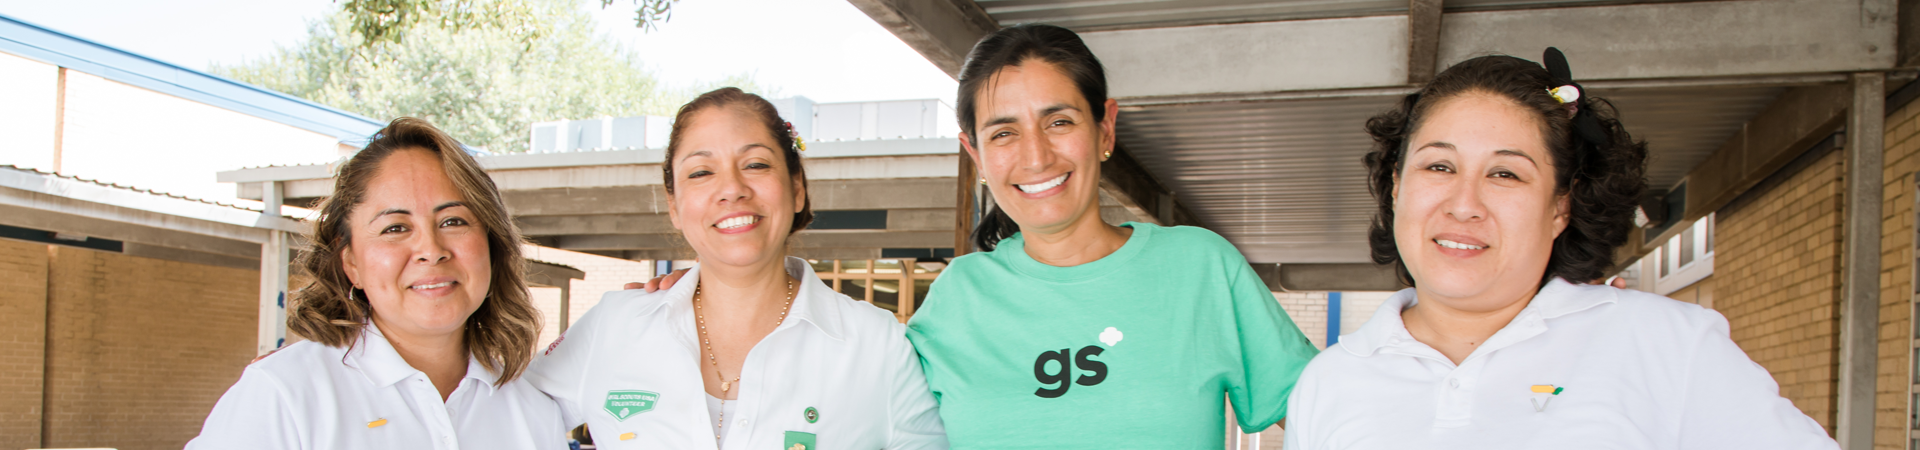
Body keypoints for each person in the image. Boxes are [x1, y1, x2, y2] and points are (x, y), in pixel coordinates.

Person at [1281, 49, 1837, 449]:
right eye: (1439, 165)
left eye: (1505, 173)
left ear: (1560, 207)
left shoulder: (1669, 346)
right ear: (1398, 185)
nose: (1463, 203)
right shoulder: (1332, 379)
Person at [901, 23, 1318, 448]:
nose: (1036, 156)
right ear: (977, 156)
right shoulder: (955, 300)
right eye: (1004, 133)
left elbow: (1337, 417)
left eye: (1059, 121)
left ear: (1105, 129)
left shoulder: (1199, 268)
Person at [524, 87, 947, 449]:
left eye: (756, 164)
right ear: (673, 206)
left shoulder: (877, 346)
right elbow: (491, 414)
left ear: (797, 188)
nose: (732, 189)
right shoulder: (614, 326)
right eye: (702, 171)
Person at [188, 118, 565, 448]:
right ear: (351, 262)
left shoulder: (530, 409)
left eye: (453, 221)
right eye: (395, 228)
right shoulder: (283, 394)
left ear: (491, 245)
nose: (430, 250)